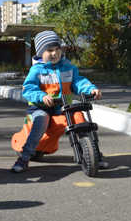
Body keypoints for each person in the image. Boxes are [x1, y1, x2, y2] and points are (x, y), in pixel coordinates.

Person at [11, 30, 108, 173]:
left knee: (79, 117)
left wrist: (90, 89)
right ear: (40, 52)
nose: (54, 53)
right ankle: (24, 159)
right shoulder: (36, 70)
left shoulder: (68, 67)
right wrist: (42, 96)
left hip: (62, 107)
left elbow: (78, 82)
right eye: (49, 50)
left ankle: (93, 155)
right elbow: (29, 89)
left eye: (57, 49)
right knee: (41, 119)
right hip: (41, 108)